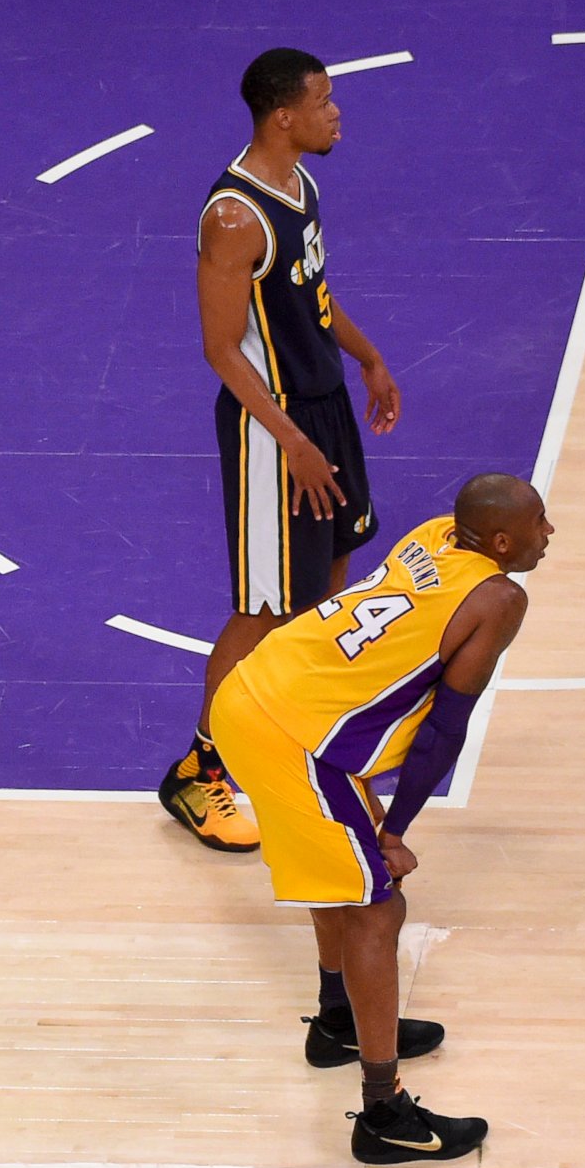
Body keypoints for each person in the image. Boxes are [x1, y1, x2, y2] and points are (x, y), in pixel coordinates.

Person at [208, 473, 551, 1164]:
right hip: (299, 739)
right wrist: (394, 831)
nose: (551, 534)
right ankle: (383, 1114)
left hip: (255, 689)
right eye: (542, 523)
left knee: (340, 874)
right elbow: (444, 730)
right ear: (505, 542)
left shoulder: (434, 533)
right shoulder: (500, 598)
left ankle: (339, 1021)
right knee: (377, 910)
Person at [159, 47, 402, 853]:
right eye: (325, 104)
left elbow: (315, 300)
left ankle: (291, 739)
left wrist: (366, 357)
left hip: (323, 408)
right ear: (283, 116)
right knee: (264, 609)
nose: (337, 115)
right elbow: (221, 349)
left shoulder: (302, 184)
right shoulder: (234, 217)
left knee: (324, 589)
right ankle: (200, 771)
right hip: (275, 430)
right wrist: (291, 438)